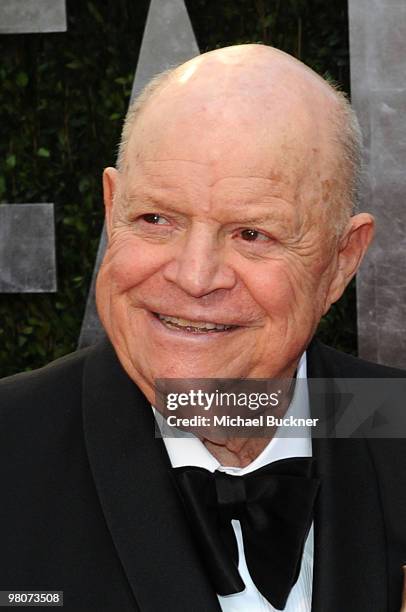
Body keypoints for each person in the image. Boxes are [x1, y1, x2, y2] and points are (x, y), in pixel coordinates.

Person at [0, 44, 406, 612]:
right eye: (156, 219)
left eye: (251, 234)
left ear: (341, 260)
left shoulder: (394, 422)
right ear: (111, 210)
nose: (194, 277)